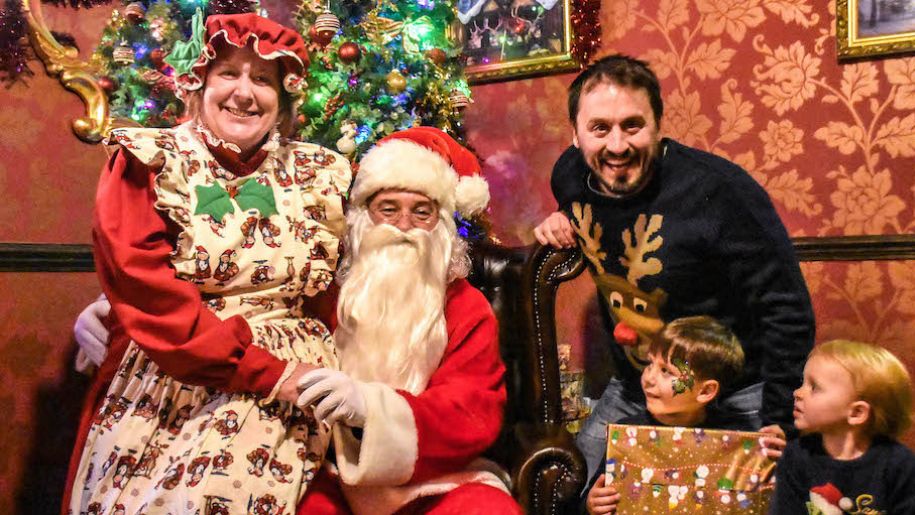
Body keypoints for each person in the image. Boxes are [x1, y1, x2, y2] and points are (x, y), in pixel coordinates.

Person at [73, 127, 521, 514]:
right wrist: (115, 316)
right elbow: (235, 301)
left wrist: (373, 410)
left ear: (442, 225)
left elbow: (473, 409)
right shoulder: (320, 287)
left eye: (421, 211)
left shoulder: (465, 307)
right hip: (321, 467)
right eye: (388, 208)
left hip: (432, 479)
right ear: (363, 218)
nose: (403, 224)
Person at [64, 12, 351, 514]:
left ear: (283, 97)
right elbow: (147, 290)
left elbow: (339, 291)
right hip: (178, 373)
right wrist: (268, 372)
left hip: (297, 383)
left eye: (262, 79)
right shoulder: (149, 160)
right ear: (197, 84)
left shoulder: (319, 172)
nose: (245, 92)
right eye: (228, 74)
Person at [533, 54, 815, 482]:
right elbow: (581, 198)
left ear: (659, 126)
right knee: (569, 489)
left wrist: (780, 420)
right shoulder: (570, 176)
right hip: (635, 386)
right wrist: (559, 215)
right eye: (599, 128)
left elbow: (787, 310)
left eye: (633, 125)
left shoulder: (721, 192)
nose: (616, 146)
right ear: (575, 135)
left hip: (732, 393)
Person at [585, 316, 786, 514]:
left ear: (706, 391)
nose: (649, 378)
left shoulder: (739, 438)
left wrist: (781, 463)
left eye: (666, 371)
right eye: (649, 364)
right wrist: (591, 504)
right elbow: (596, 497)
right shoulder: (627, 434)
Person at [770, 340, 915, 514]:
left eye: (814, 387)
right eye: (803, 382)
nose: (797, 393)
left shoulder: (900, 465)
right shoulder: (795, 456)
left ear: (857, 413)